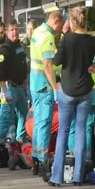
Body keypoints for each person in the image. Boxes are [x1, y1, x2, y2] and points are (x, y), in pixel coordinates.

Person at [50, 7, 95, 187]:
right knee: (80, 132)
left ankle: (57, 177)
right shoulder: (90, 41)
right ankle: (78, 176)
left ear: (73, 22)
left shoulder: (66, 40)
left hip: (67, 91)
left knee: (63, 132)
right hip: (86, 92)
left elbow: (56, 61)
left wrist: (59, 46)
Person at [29, 10, 64, 180]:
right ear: (55, 21)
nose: (60, 29)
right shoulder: (48, 37)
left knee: (38, 124)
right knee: (44, 125)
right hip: (44, 86)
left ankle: (35, 160)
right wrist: (55, 87)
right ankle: (43, 163)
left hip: (35, 84)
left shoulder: (37, 31)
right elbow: (47, 65)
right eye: (60, 25)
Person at [0, 23, 28, 147]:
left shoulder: (20, 46)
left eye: (17, 30)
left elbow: (24, 65)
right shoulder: (4, 49)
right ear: (7, 32)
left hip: (20, 87)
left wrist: (25, 83)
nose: (15, 32)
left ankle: (20, 140)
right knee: (6, 116)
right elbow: (0, 73)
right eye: (12, 30)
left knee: (24, 113)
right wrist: (5, 90)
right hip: (8, 86)